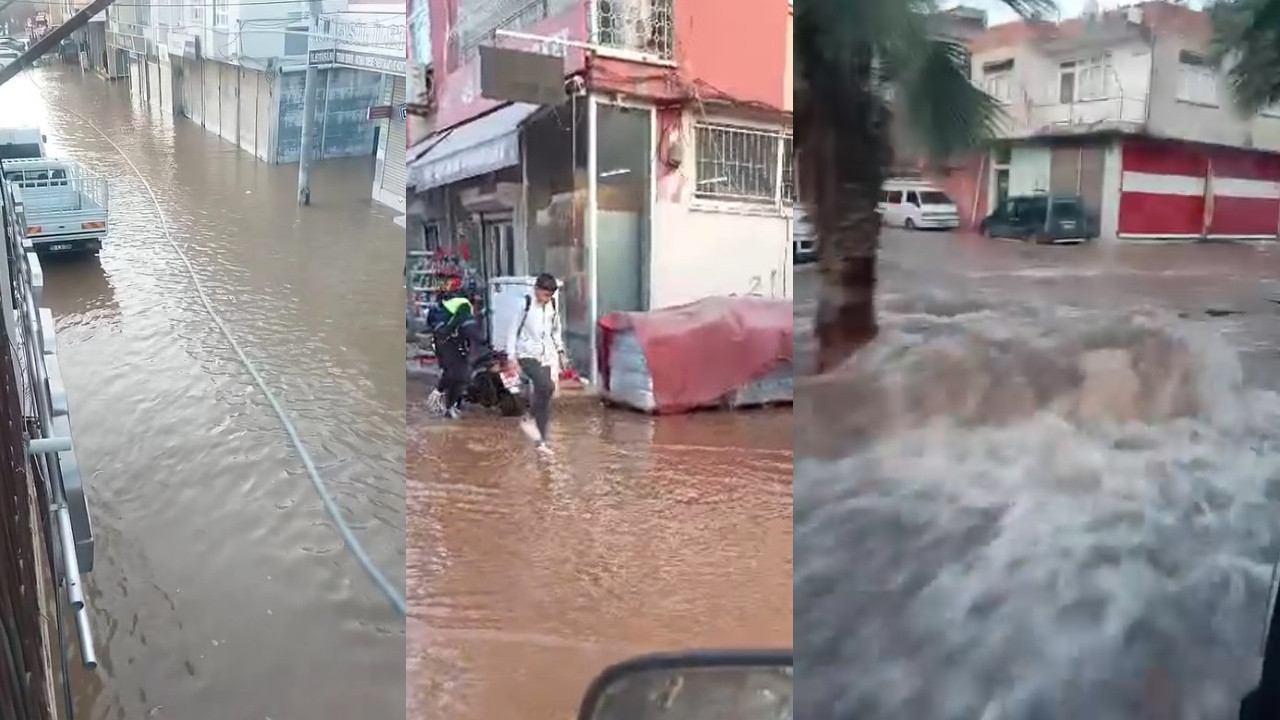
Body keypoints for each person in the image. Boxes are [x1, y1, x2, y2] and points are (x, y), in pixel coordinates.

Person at [505, 273, 567, 452]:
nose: (547, 299)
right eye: (545, 295)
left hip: (545, 355)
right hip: (526, 354)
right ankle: (529, 417)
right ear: (536, 289)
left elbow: (555, 331)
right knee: (546, 385)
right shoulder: (524, 304)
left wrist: (560, 351)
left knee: (545, 396)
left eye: (550, 295)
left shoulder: (552, 305)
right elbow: (512, 332)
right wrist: (511, 357)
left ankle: (541, 442)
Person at [429, 293, 488, 419]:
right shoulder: (465, 306)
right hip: (444, 339)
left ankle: (446, 401)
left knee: (455, 372)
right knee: (459, 373)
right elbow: (467, 328)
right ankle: (444, 402)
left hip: (444, 339)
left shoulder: (461, 305)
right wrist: (483, 341)